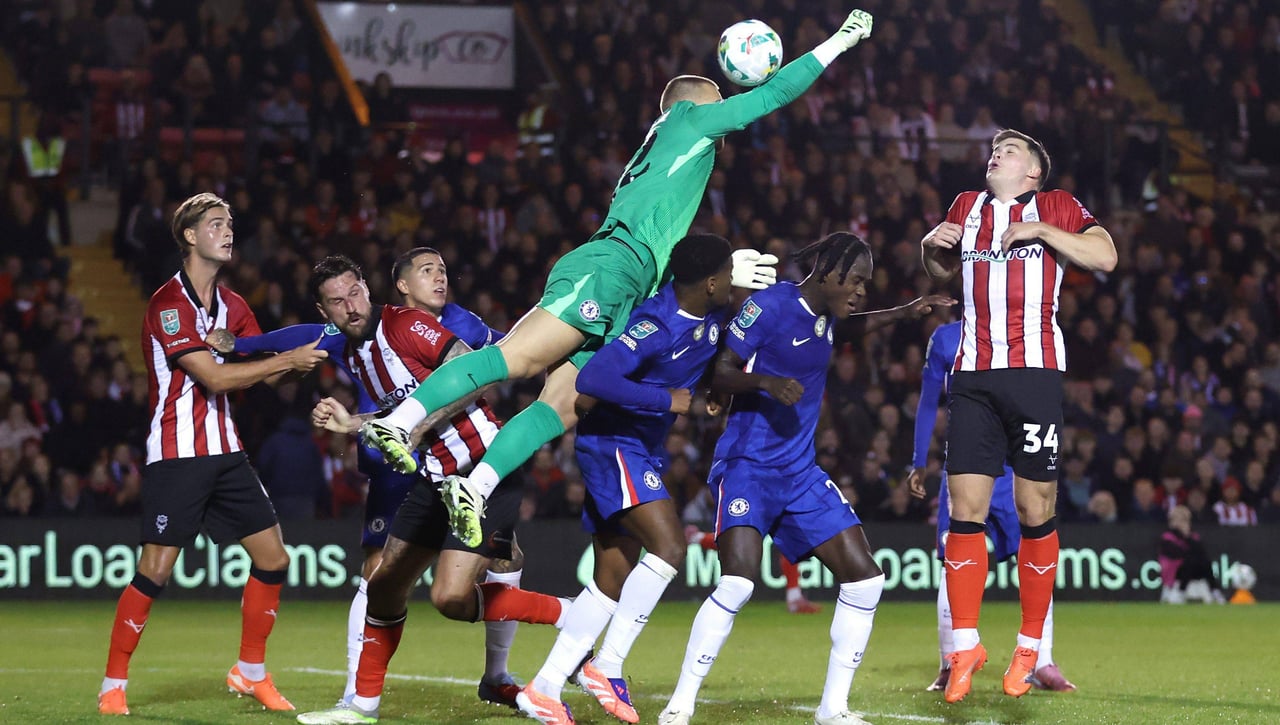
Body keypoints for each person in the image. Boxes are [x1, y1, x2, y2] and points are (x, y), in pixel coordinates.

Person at [359, 9, 877, 551]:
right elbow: (771, 98)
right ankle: (401, 422)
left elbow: (667, 246)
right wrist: (837, 43)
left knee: (566, 402)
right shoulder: (687, 121)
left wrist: (720, 272)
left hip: (631, 281)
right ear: (692, 101)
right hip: (609, 266)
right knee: (520, 359)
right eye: (718, 99)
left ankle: (475, 485)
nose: (726, 108)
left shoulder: (676, 157)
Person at [205, 247, 524, 707]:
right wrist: (245, 346)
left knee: (496, 565)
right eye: (427, 271)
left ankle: (502, 669)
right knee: (380, 576)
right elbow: (309, 335)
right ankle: (358, 692)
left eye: (443, 270)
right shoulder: (357, 332)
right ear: (400, 284)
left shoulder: (462, 323)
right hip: (400, 467)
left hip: (467, 459)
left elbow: (513, 349)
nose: (439, 278)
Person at [660, 233, 952, 725]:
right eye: (856, 281)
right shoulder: (768, 307)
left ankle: (832, 709)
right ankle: (680, 704)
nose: (860, 291)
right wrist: (765, 382)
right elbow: (720, 371)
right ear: (830, 272)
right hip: (748, 466)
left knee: (866, 582)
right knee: (737, 583)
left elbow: (847, 329)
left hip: (799, 473)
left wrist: (905, 312)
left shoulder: (827, 317)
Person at [290, 256, 572, 725]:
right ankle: (362, 708)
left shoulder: (405, 324)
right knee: (384, 587)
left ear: (367, 286)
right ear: (325, 312)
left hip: (484, 466)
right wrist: (350, 424)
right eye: (337, 302)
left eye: (354, 292)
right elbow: (402, 409)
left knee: (451, 599)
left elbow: (467, 368)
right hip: (435, 476)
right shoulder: (357, 353)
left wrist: (416, 428)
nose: (351, 306)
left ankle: (570, 615)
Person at [98, 192, 330, 716]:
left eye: (230, 224)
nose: (228, 232)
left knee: (274, 559)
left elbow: (265, 363)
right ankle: (113, 682)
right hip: (176, 454)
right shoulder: (168, 304)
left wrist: (308, 352)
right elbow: (215, 377)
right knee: (155, 570)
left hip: (226, 452)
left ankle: (250, 672)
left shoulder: (235, 307)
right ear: (189, 236)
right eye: (216, 224)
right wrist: (282, 360)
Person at [920, 129, 1116, 703]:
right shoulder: (965, 205)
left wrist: (1041, 231)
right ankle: (964, 647)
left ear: (1033, 172)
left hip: (1033, 374)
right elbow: (939, 270)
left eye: (1010, 150)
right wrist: (929, 246)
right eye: (994, 149)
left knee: (1036, 509)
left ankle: (1030, 647)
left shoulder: (1056, 205)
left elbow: (1105, 255)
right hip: (974, 375)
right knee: (966, 510)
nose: (996, 152)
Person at [514, 234, 735, 725]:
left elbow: (715, 351)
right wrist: (667, 400)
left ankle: (544, 687)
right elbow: (592, 382)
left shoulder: (712, 315)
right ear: (713, 281)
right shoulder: (654, 324)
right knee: (670, 547)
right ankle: (606, 666)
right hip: (614, 445)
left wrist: (715, 388)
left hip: (640, 449)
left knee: (612, 575)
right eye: (729, 276)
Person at [907, 320, 1075, 693]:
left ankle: (1042, 660)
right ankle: (950, 661)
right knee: (954, 557)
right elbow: (928, 397)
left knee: (1031, 551)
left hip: (1015, 470)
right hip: (968, 468)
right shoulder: (948, 337)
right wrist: (919, 459)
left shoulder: (1028, 329)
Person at [685, 526, 822, 614]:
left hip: (776, 492)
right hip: (758, 492)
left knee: (790, 539)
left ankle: (794, 598)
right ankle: (697, 538)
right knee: (739, 541)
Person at [1159, 505, 1226, 604]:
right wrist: (1184, 537)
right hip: (1175, 570)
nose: (1179, 523)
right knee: (1190, 560)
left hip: (1194, 570)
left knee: (1205, 562)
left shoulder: (1193, 537)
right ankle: (1181, 591)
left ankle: (1214, 590)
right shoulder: (1167, 537)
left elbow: (1201, 552)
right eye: (1176, 519)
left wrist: (1187, 536)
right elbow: (1177, 553)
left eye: (1183, 520)